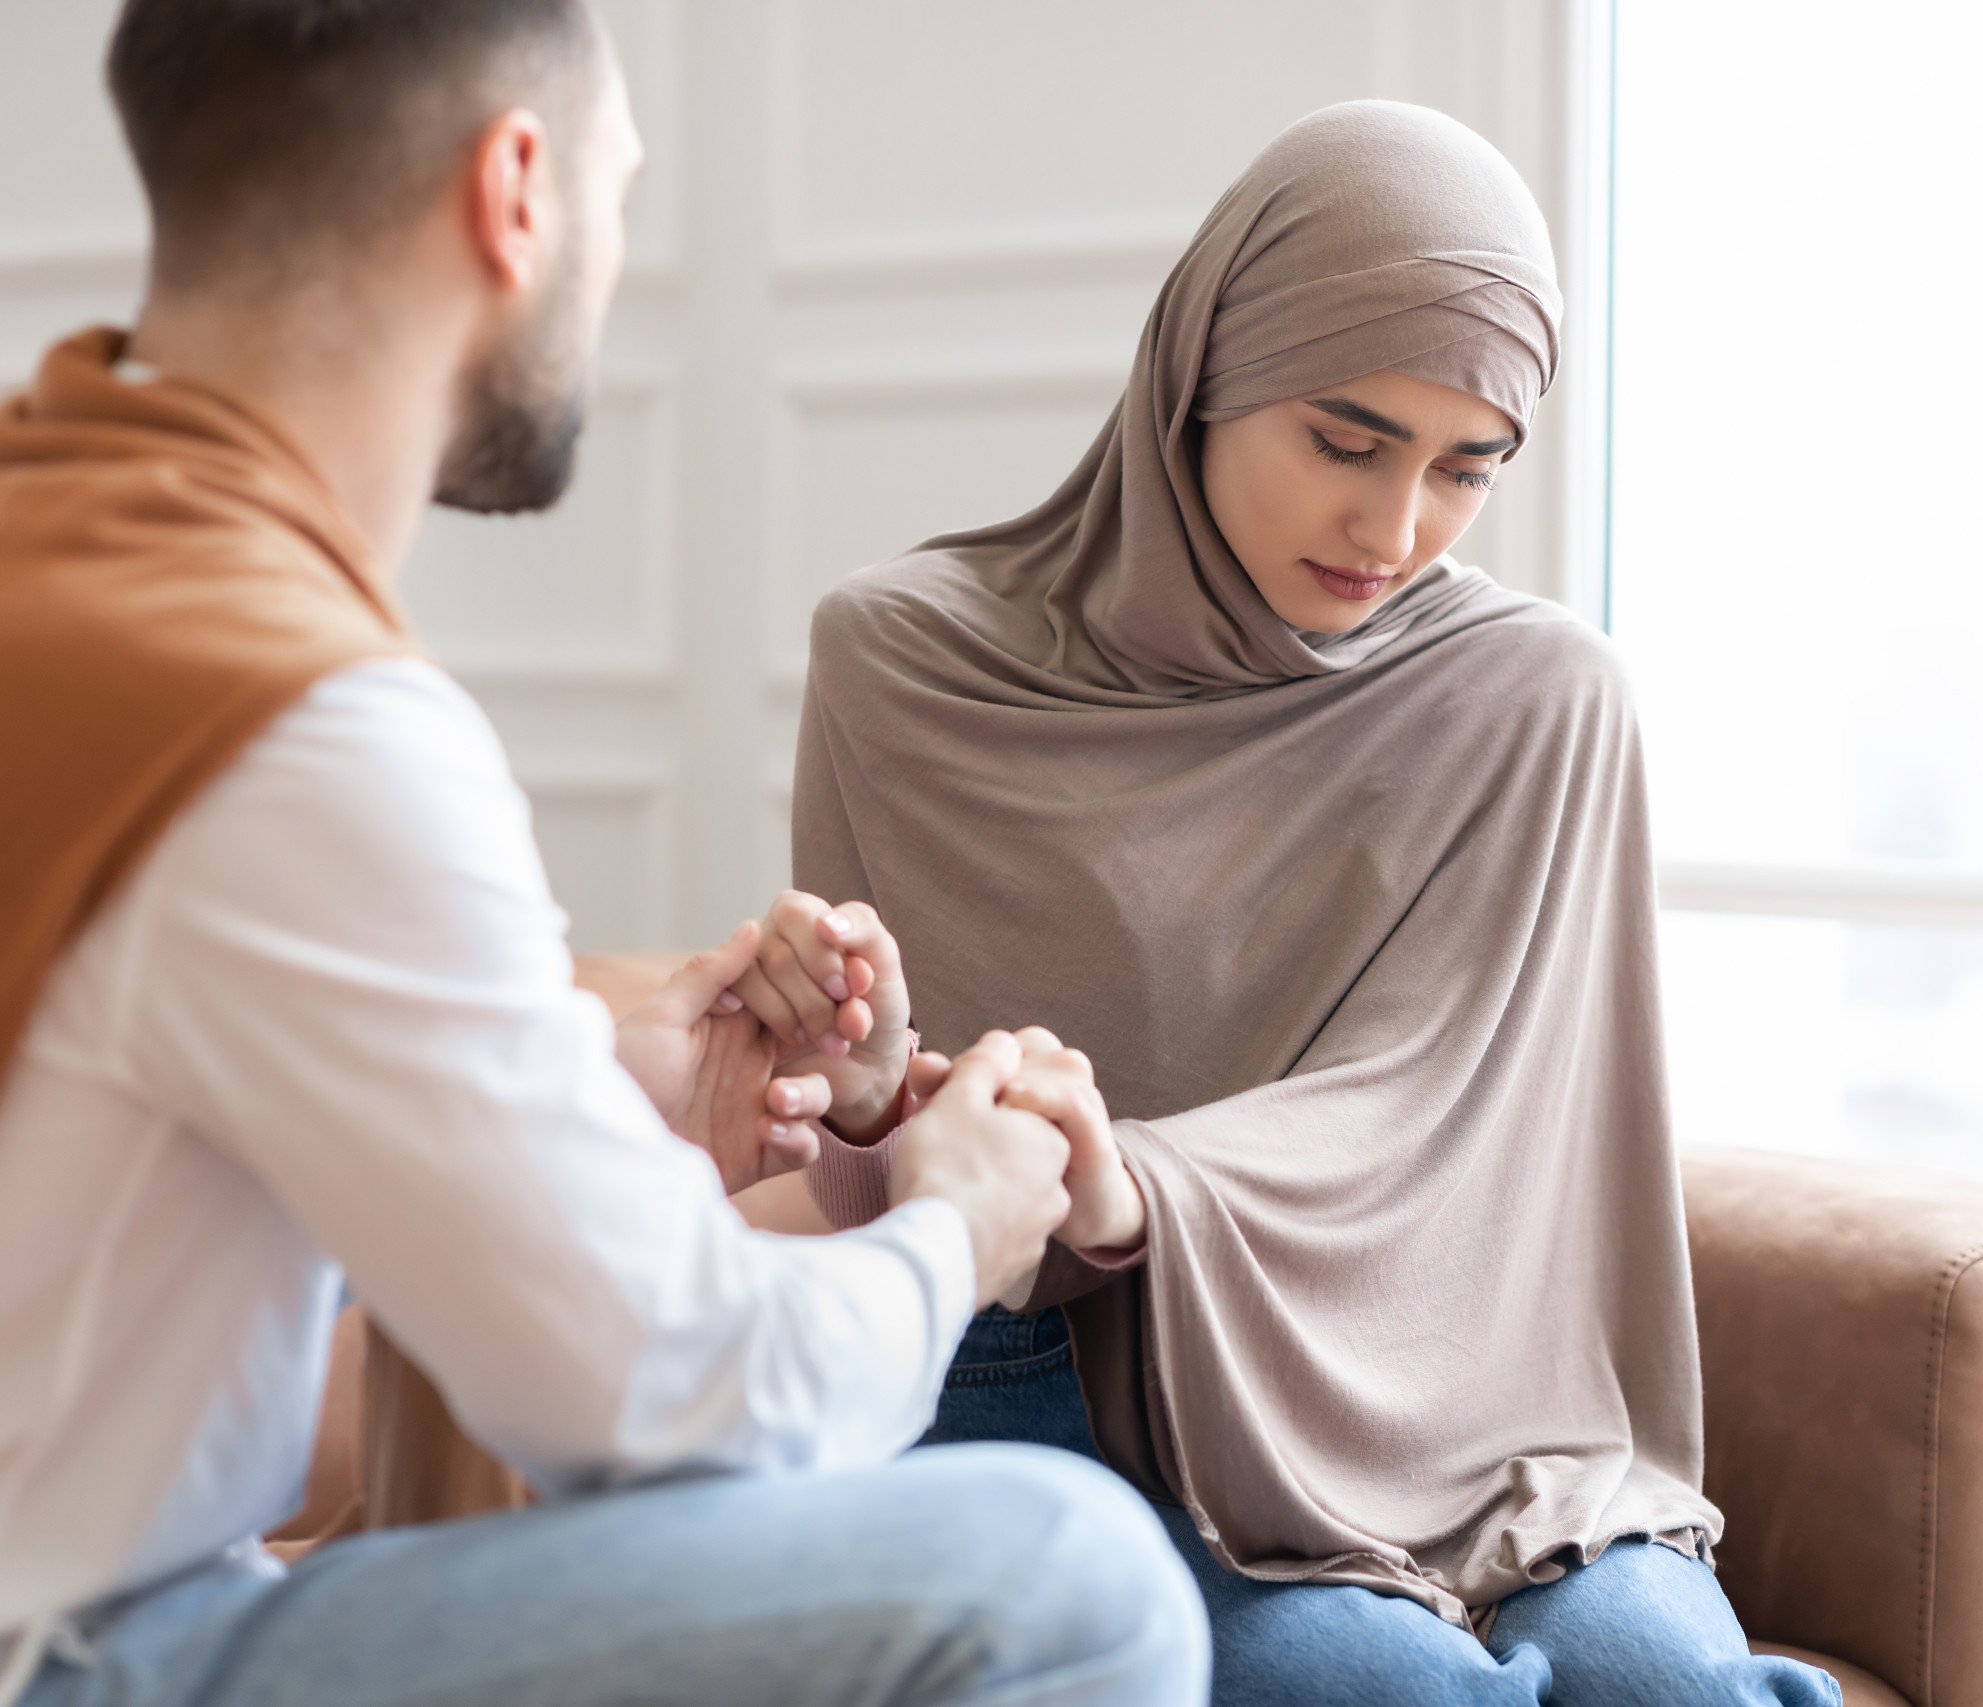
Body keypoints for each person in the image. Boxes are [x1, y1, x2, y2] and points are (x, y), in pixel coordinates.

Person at [0, 4, 1208, 1706]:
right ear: (516, 189)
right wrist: (952, 1227)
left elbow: (92, 1191)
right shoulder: (297, 724)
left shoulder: (62, 560)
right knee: (1073, 1582)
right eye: (618, 190)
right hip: (72, 1655)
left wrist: (578, 1082)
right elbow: (689, 1405)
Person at [739, 101, 1841, 1706]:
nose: (1394, 531)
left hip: (1475, 1416)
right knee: (1378, 1690)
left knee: (1668, 1690)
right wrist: (863, 1095)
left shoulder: (1538, 698)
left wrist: (1142, 1194)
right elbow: (904, 1197)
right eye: (1347, 441)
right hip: (1086, 1412)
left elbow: (1454, 1126)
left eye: (1468, 469)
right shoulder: (908, 661)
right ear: (1202, 375)